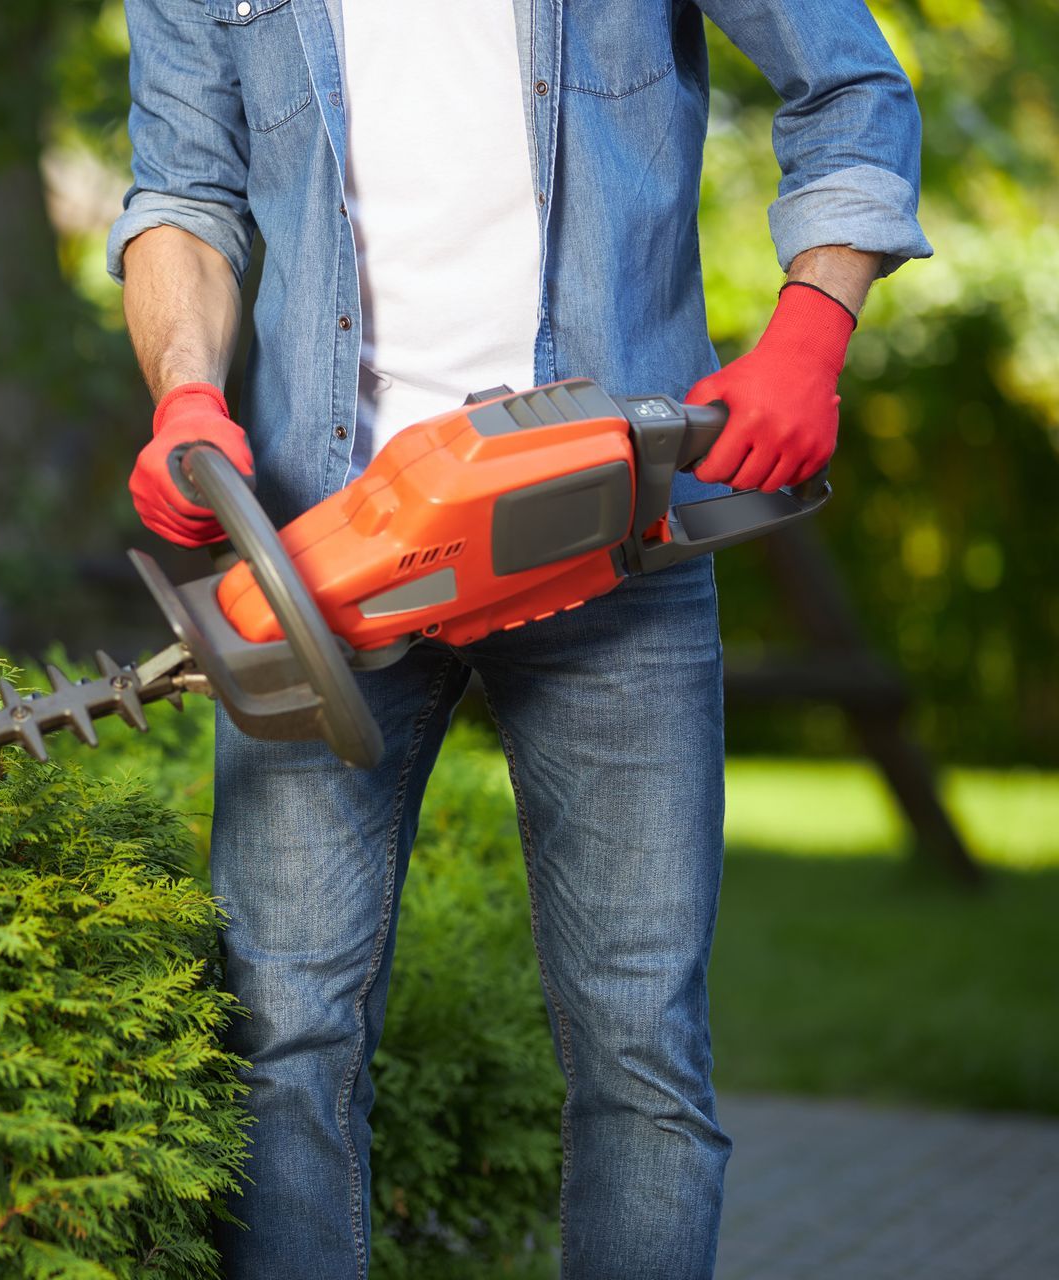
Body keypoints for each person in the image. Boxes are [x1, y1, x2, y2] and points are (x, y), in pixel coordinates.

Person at [106, 3, 930, 1278]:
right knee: (281, 1037)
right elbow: (182, 194)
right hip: (329, 545)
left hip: (611, 528)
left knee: (641, 1049)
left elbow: (853, 84)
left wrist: (811, 330)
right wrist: (186, 391)